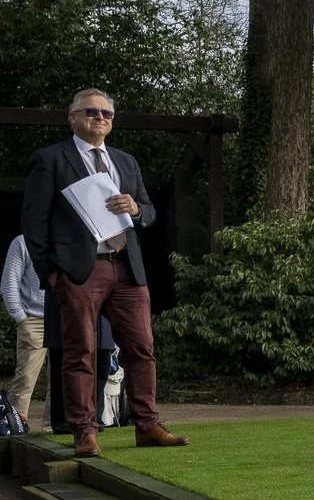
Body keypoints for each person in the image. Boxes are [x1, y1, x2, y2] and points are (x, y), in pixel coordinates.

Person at [18, 88, 189, 455]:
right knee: (80, 352)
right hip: (80, 270)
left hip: (127, 268)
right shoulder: (50, 160)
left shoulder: (126, 162)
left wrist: (137, 209)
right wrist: (50, 270)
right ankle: (84, 432)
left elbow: (149, 210)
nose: (100, 118)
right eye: (91, 112)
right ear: (73, 117)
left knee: (142, 348)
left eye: (107, 114)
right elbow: (34, 221)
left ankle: (147, 426)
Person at [3, 234, 48, 429]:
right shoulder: (22, 242)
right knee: (25, 380)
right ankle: (15, 428)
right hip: (34, 319)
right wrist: (22, 318)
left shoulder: (67, 238)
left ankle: (55, 429)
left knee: (64, 381)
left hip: (65, 320)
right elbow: (8, 283)